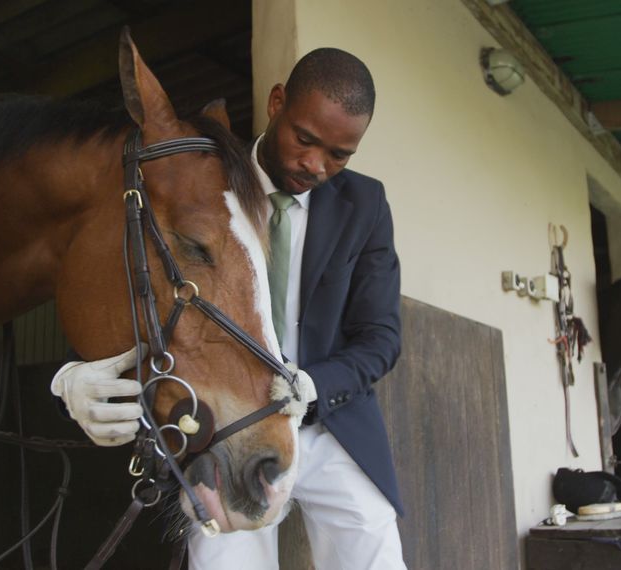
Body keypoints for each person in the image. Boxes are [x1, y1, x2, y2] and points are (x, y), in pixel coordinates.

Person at [51, 48, 405, 569]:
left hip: (331, 425)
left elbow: (381, 337)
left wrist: (312, 386)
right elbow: (132, 280)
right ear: (277, 101)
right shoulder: (204, 178)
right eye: (305, 139)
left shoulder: (367, 205)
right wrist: (69, 380)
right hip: (224, 431)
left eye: (339, 155)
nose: (315, 164)